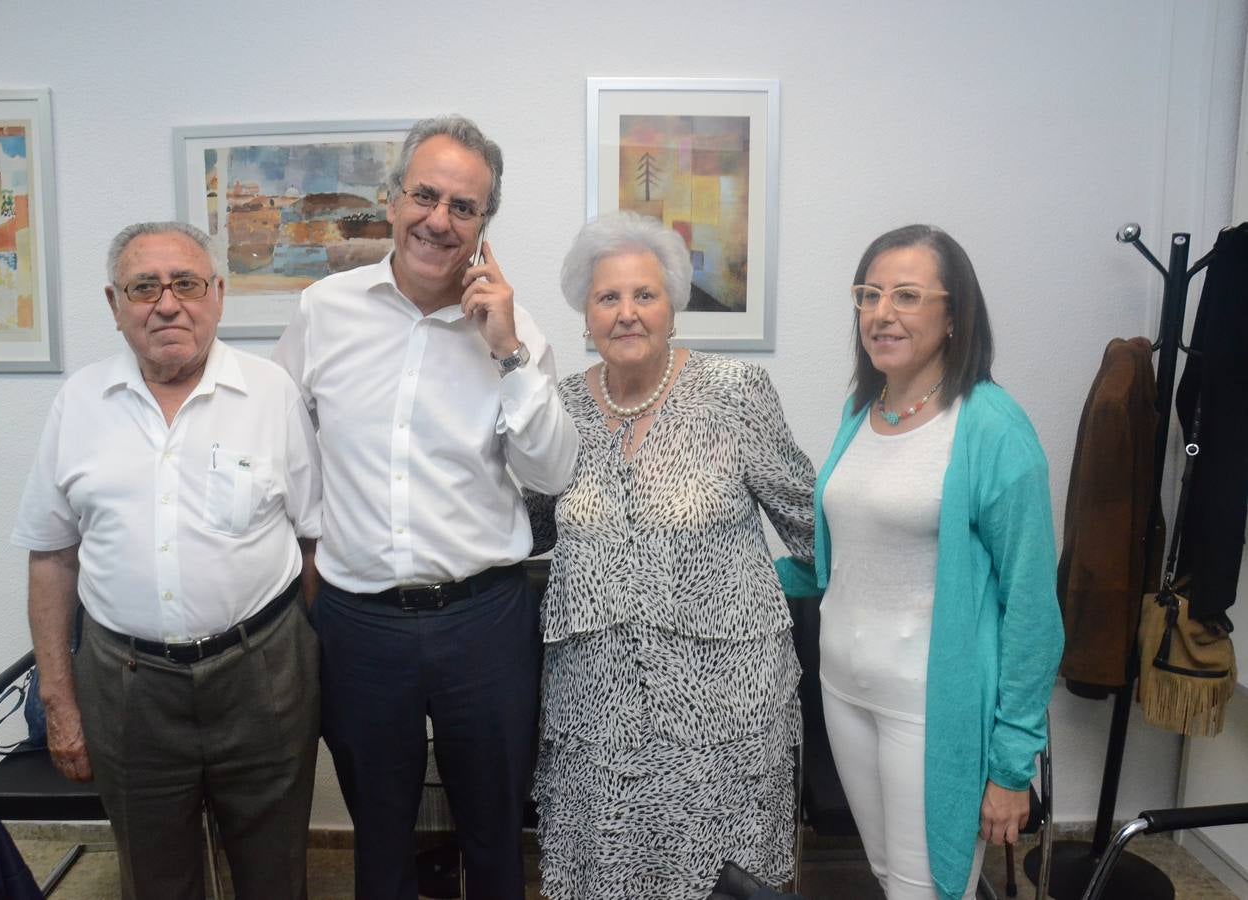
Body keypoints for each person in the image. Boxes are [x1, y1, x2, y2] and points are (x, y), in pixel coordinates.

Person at [272, 115, 579, 900]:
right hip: (359, 624)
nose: (440, 220)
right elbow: (286, 445)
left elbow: (552, 471)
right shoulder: (323, 311)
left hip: (485, 621)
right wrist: (310, 563)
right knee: (379, 837)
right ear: (394, 199)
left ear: (485, 224)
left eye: (464, 207)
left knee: (494, 835)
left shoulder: (517, 332)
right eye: (426, 196)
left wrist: (506, 350)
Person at [12, 221, 322, 900]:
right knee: (155, 881)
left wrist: (300, 662)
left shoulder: (271, 394)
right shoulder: (78, 404)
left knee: (275, 875)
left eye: (185, 283)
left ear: (216, 293)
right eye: (144, 287)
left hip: (261, 677)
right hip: (128, 687)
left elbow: (313, 543)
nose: (168, 303)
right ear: (114, 304)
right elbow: (52, 559)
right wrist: (59, 701)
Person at [526, 211, 815, 899]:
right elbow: (530, 529)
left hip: (728, 714)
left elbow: (810, 523)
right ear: (586, 315)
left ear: (673, 308)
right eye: (608, 298)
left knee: (727, 880)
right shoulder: (559, 411)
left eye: (644, 295)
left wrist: (751, 593)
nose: (627, 313)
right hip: (597, 716)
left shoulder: (735, 394)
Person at [777, 224, 1063, 899]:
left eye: (907, 295)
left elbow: (1032, 607)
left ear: (954, 315)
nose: (881, 313)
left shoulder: (992, 428)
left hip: (929, 707)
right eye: (869, 294)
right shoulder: (865, 409)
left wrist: (1012, 765)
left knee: (929, 888)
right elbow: (845, 556)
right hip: (844, 689)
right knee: (889, 877)